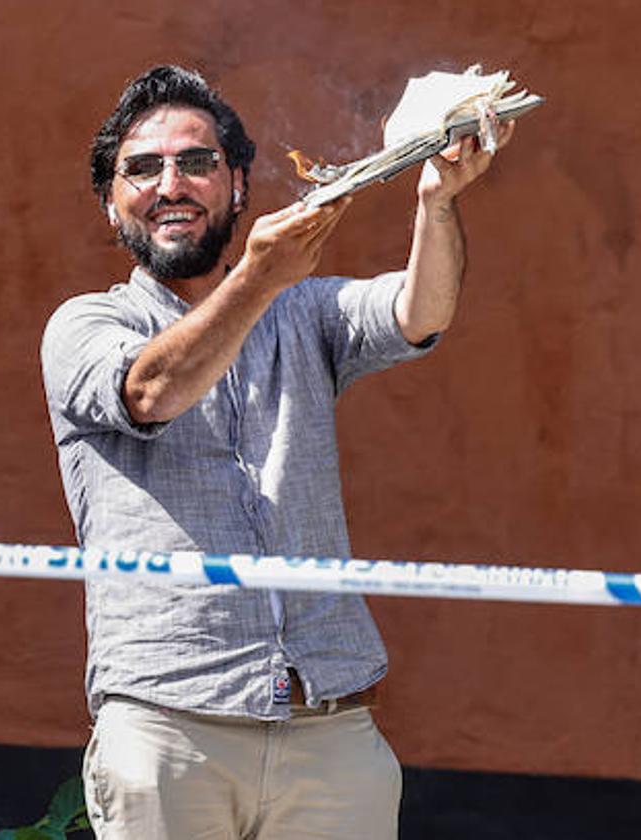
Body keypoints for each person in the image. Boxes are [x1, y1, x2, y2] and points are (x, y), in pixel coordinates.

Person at [41, 64, 513, 840]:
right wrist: (260, 277)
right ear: (110, 201)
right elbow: (151, 392)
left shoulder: (304, 311)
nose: (171, 184)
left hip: (327, 721)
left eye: (196, 163)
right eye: (143, 168)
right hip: (170, 721)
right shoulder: (85, 326)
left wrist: (437, 199)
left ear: (237, 186)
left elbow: (419, 311)